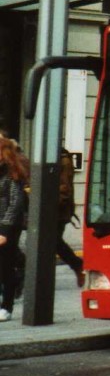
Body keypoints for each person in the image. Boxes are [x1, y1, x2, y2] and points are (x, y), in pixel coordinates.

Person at [0, 134, 30, 322]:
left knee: (5, 267)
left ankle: (7, 306)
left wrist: (4, 231)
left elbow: (15, 203)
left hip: (8, 226)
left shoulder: (12, 172)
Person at [57, 148, 85, 288]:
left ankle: (77, 265)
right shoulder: (61, 159)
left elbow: (64, 188)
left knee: (53, 242)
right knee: (53, 243)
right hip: (56, 209)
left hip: (57, 211)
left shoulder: (63, 161)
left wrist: (51, 205)